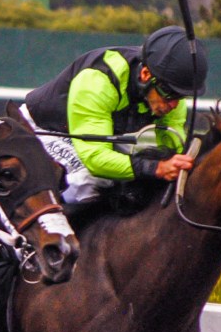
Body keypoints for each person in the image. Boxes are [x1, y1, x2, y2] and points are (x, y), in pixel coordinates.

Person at [21, 25, 209, 206]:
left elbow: (171, 147)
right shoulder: (99, 81)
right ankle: (54, 229)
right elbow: (96, 159)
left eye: (181, 96)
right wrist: (156, 168)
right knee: (93, 181)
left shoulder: (168, 87)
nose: (174, 104)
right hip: (41, 130)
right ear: (145, 74)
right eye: (169, 95)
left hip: (96, 136)